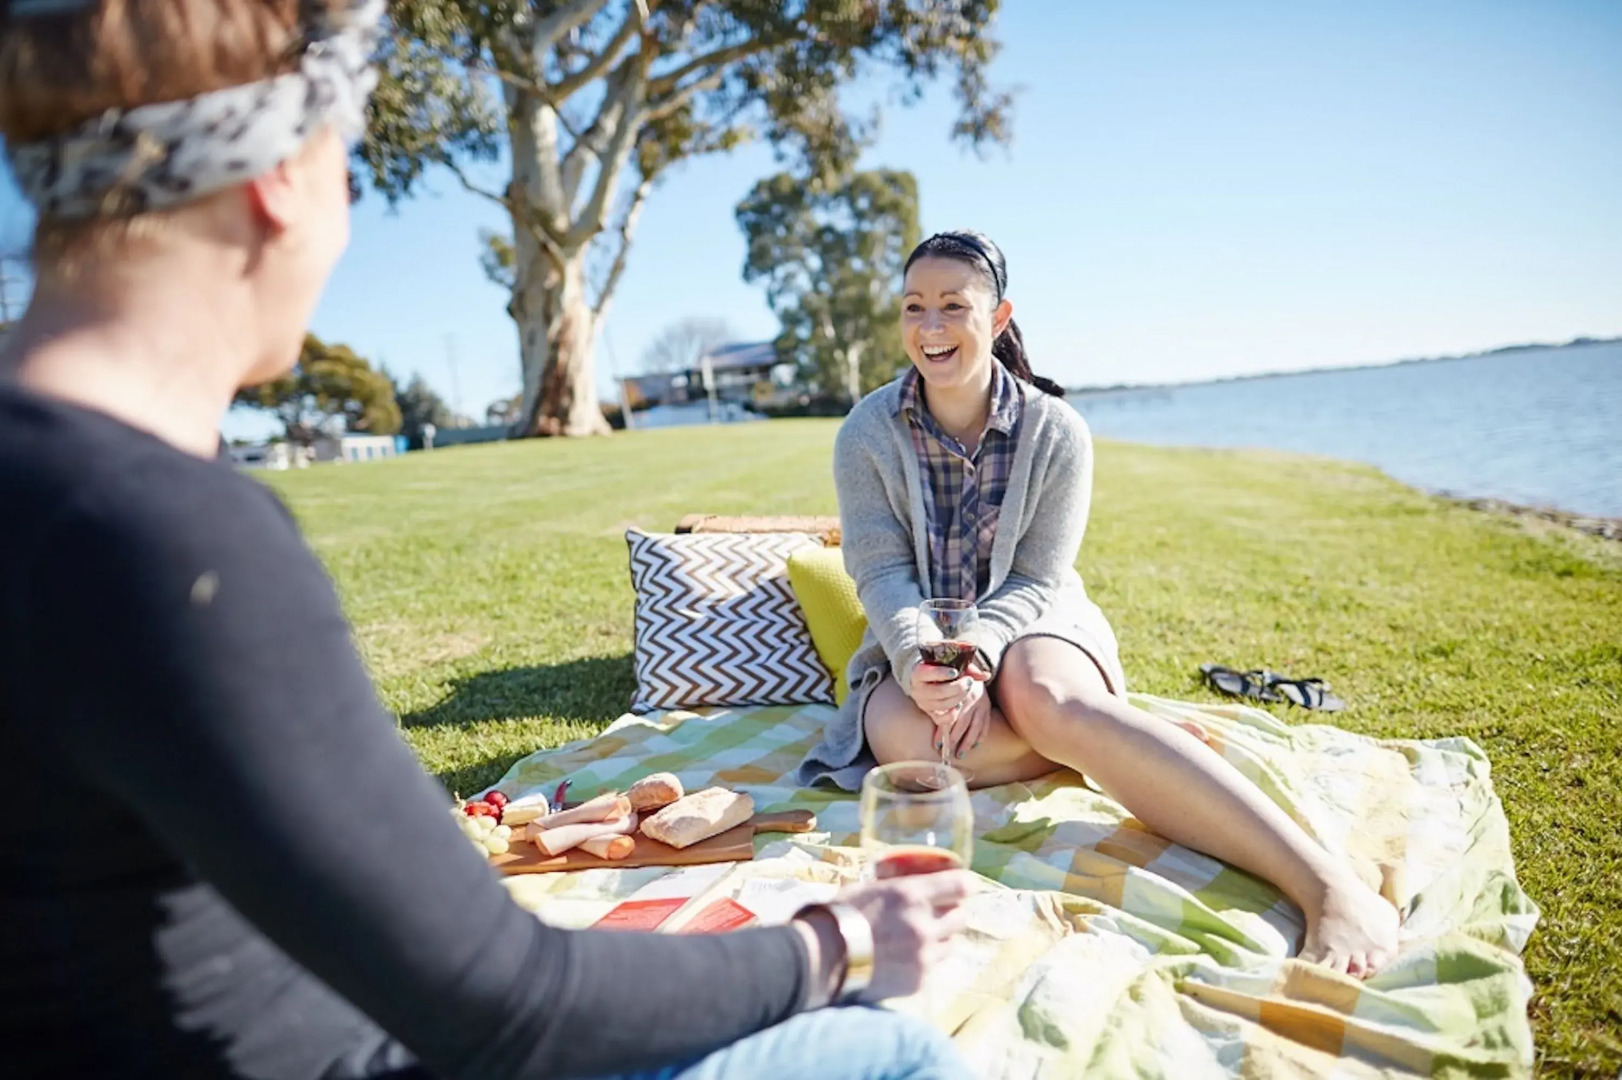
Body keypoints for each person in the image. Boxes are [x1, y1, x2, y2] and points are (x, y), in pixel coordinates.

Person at [0, 2, 974, 1077]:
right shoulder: (163, 540)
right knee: (894, 1050)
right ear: (276, 180)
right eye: (347, 166)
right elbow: (510, 1005)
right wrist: (831, 941)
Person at [797, 229, 1401, 978]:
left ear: (1000, 315)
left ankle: (1326, 884)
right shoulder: (866, 433)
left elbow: (1037, 578)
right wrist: (928, 660)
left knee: (1046, 695)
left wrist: (982, 656)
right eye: (914, 306)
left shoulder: (1057, 432)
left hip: (1035, 619)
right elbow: (882, 572)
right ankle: (1091, 745)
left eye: (954, 306)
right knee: (910, 748)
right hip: (920, 638)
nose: (930, 327)